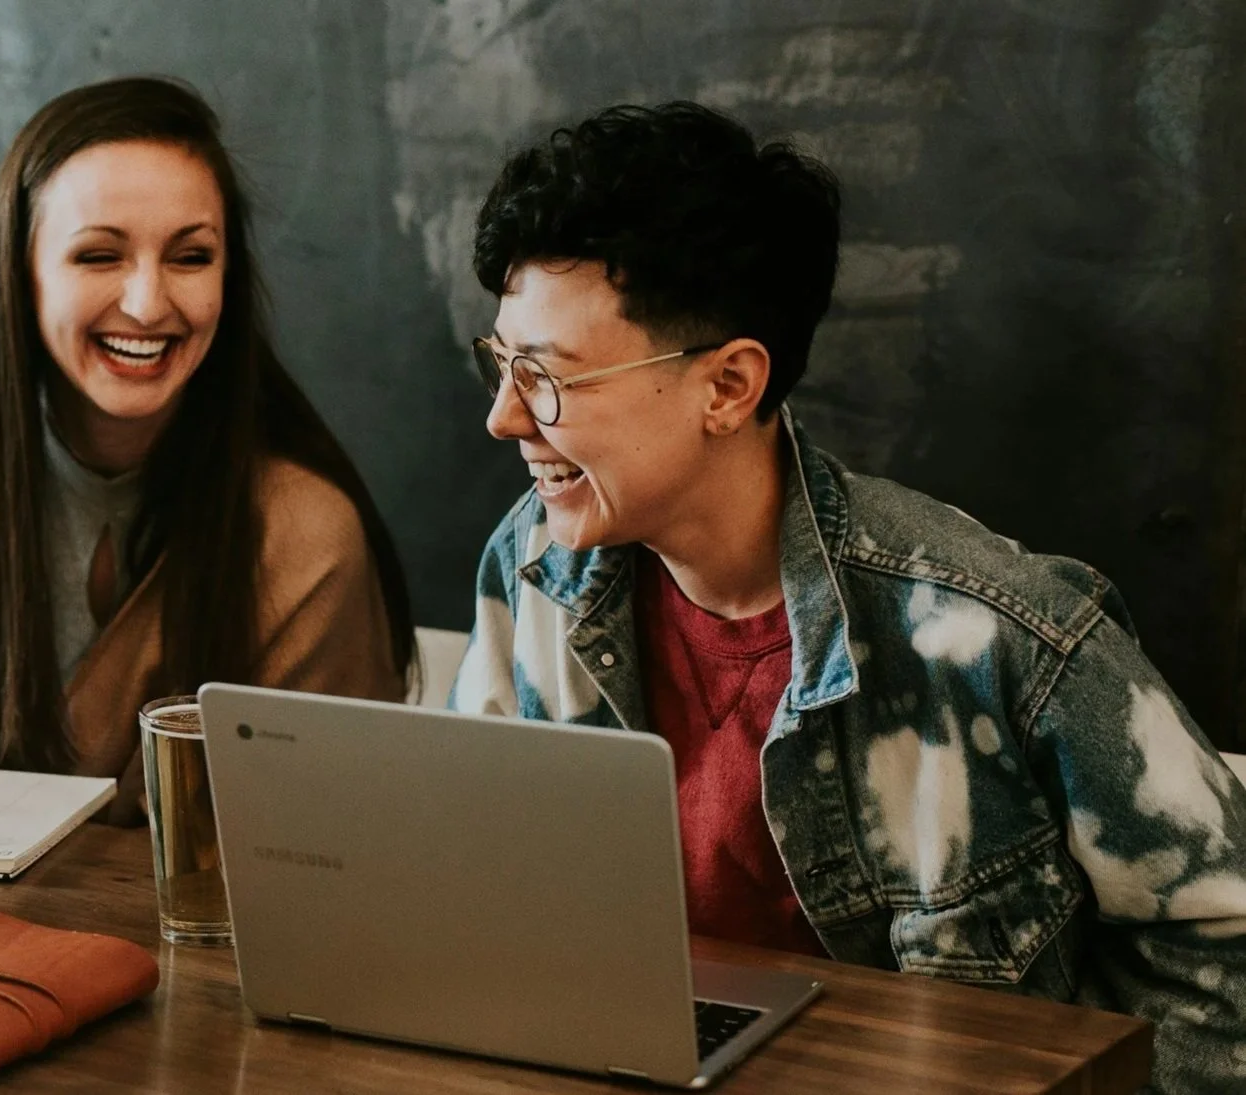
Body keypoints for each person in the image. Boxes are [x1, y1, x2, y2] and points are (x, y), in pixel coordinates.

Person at [449, 101, 1246, 1094]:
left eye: (547, 377)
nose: (503, 416)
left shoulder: (993, 632)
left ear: (729, 386)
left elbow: (1224, 948)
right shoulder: (532, 569)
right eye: (500, 361)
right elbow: (469, 886)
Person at [0, 77, 413, 822]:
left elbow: (331, 853)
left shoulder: (304, 536)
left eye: (191, 257)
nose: (147, 303)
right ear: (23, 274)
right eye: (99, 256)